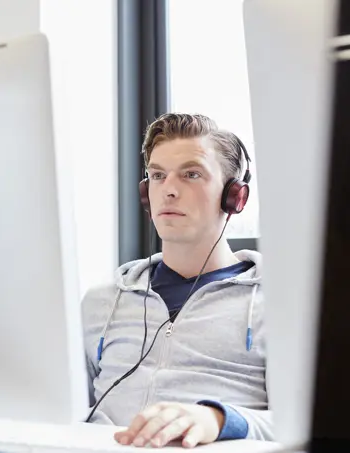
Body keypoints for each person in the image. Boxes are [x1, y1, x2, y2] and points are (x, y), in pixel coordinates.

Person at [81, 113, 272, 449]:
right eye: (157, 176)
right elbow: (58, 405)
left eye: (191, 174)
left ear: (235, 197)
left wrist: (218, 419)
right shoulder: (102, 302)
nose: (168, 190)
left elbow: (305, 424)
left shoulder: (276, 304)